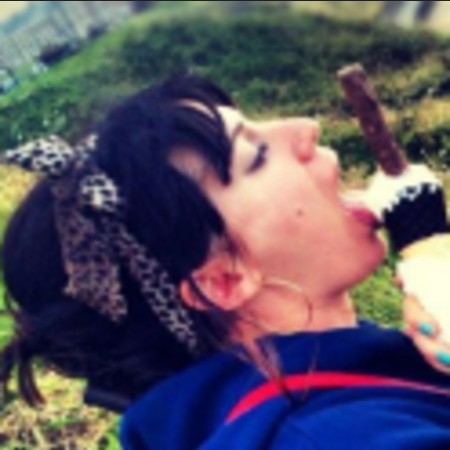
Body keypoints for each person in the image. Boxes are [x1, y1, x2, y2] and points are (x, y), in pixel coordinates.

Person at [1, 74, 450, 449]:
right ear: (223, 280)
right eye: (257, 155)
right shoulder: (338, 438)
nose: (306, 127)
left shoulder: (329, 387)